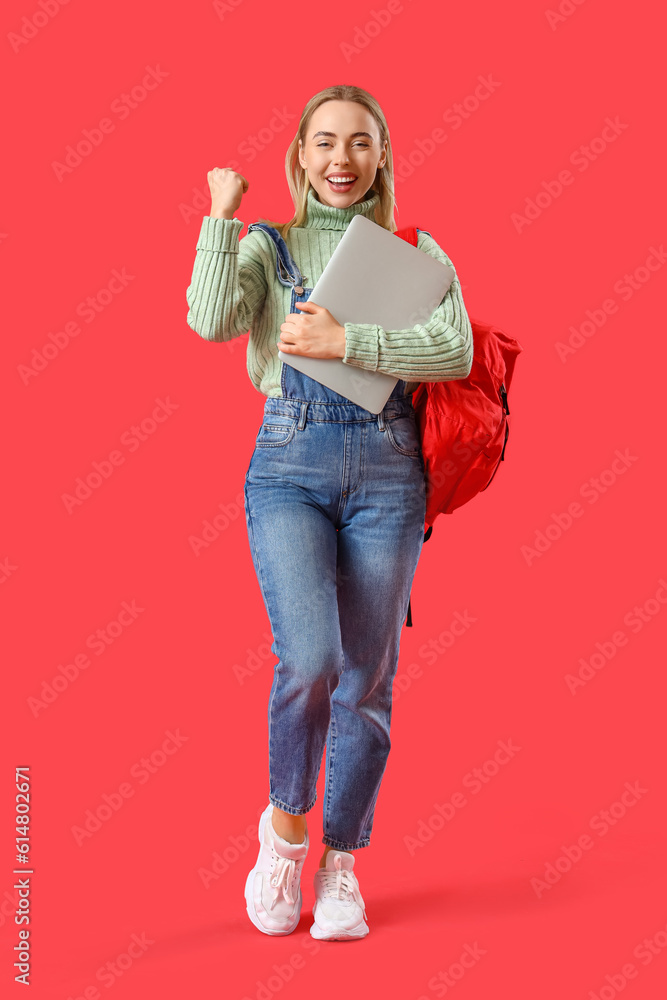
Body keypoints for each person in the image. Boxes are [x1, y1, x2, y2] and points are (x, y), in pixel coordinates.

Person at [185, 84, 473, 941]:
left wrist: (348, 342)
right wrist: (219, 215)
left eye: (357, 143)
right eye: (322, 144)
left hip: (389, 475)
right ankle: (283, 836)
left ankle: (340, 865)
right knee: (309, 658)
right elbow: (208, 320)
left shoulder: (416, 252)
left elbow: (451, 346)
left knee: (369, 681)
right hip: (290, 466)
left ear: (380, 155)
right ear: (299, 156)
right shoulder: (265, 246)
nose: (339, 161)